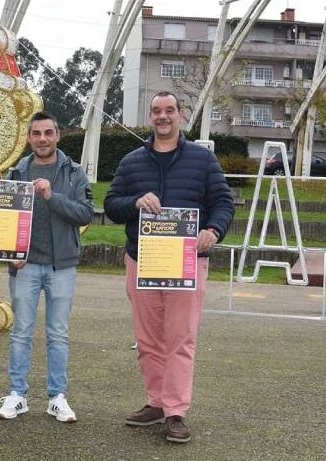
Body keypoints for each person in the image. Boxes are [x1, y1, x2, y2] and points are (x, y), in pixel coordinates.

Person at [103, 91, 234, 443]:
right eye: (157, 111)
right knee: (147, 340)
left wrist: (212, 230)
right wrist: (135, 202)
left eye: (169, 111)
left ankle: (176, 411)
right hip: (142, 260)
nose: (163, 117)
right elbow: (112, 204)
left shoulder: (202, 160)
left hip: (187, 262)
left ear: (181, 115)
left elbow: (223, 201)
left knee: (180, 338)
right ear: (150, 117)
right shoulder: (131, 161)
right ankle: (156, 402)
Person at [0, 112, 93, 423]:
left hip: (61, 266)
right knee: (20, 333)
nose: (42, 139)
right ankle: (17, 395)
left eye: (48, 133)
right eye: (36, 133)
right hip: (24, 265)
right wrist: (10, 253)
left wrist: (52, 197)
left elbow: (85, 213)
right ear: (29, 138)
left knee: (58, 334)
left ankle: (57, 396)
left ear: (57, 136)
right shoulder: (17, 171)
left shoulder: (74, 172)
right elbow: (4, 220)